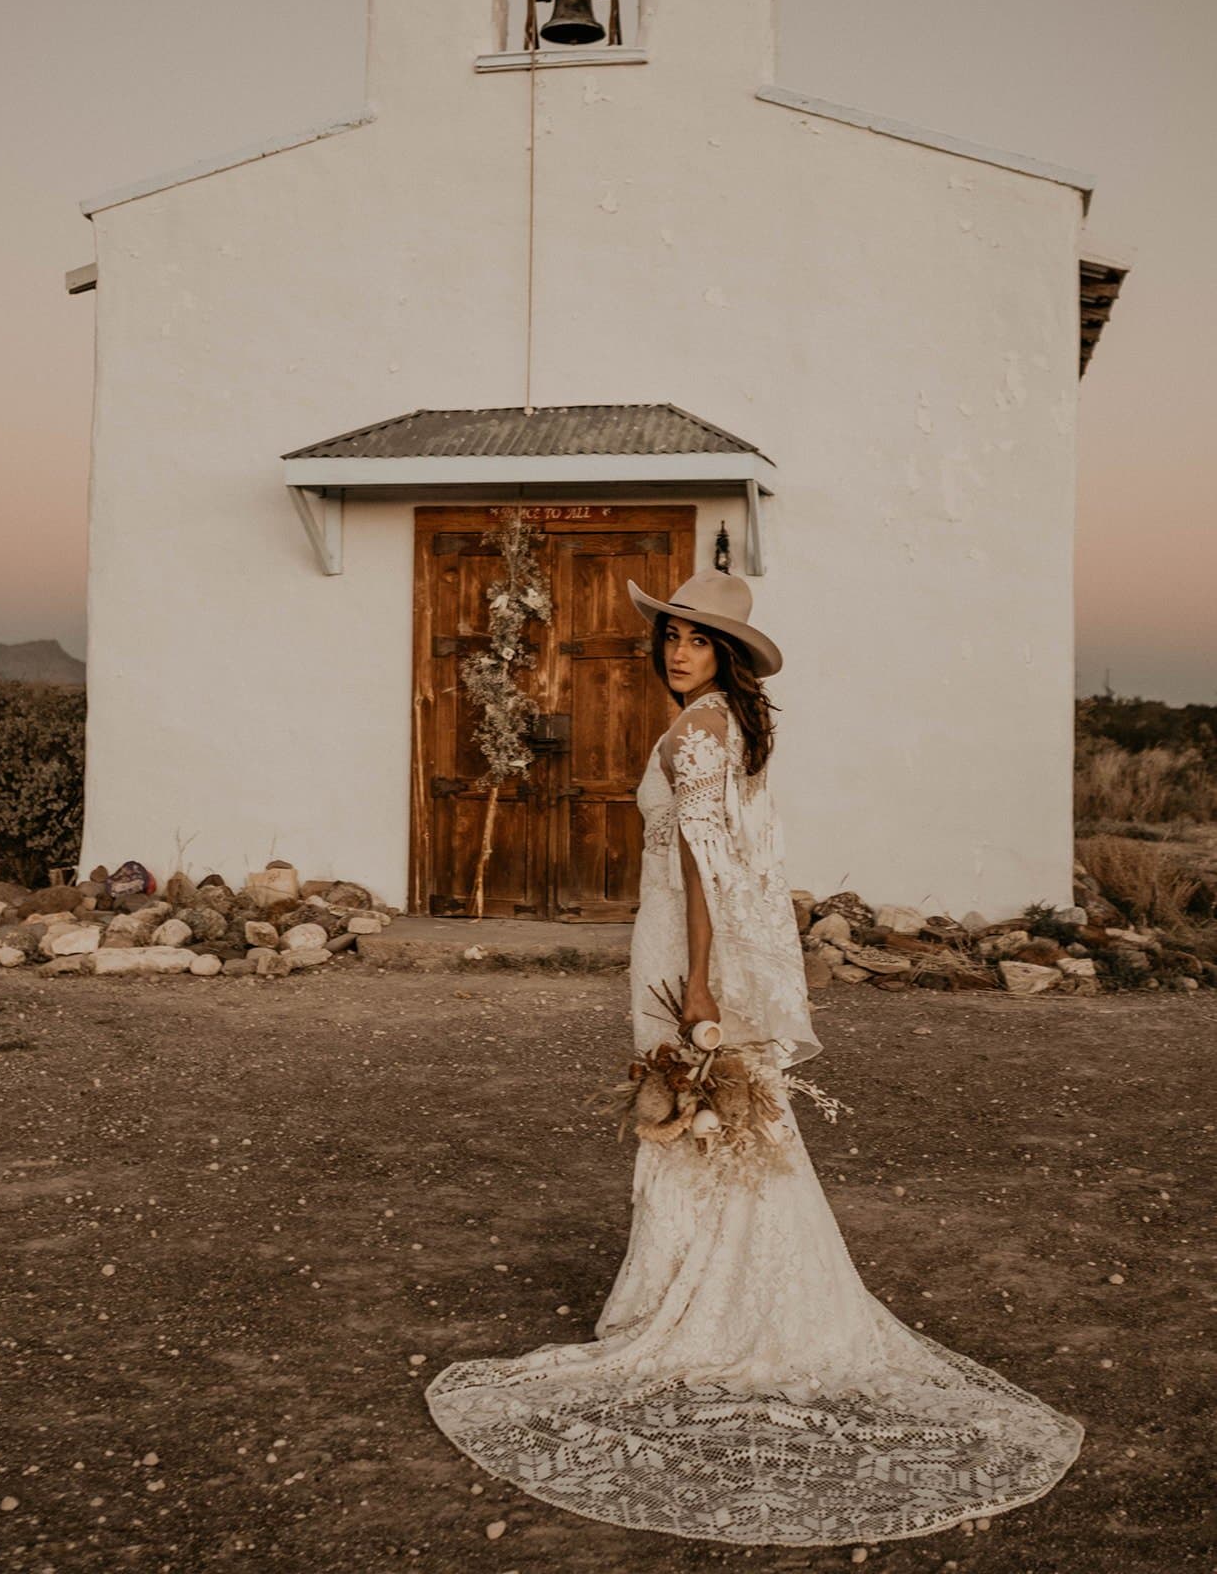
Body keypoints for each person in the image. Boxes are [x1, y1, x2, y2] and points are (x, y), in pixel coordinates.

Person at [425, 568, 1084, 1546]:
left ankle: (682, 1298)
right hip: (696, 939)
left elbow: (700, 864)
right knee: (724, 1123)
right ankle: (711, 1280)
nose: (677, 650)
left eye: (695, 638)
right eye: (671, 636)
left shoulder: (695, 729)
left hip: (681, 948)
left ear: (726, 653)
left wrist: (697, 983)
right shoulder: (735, 723)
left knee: (689, 1115)